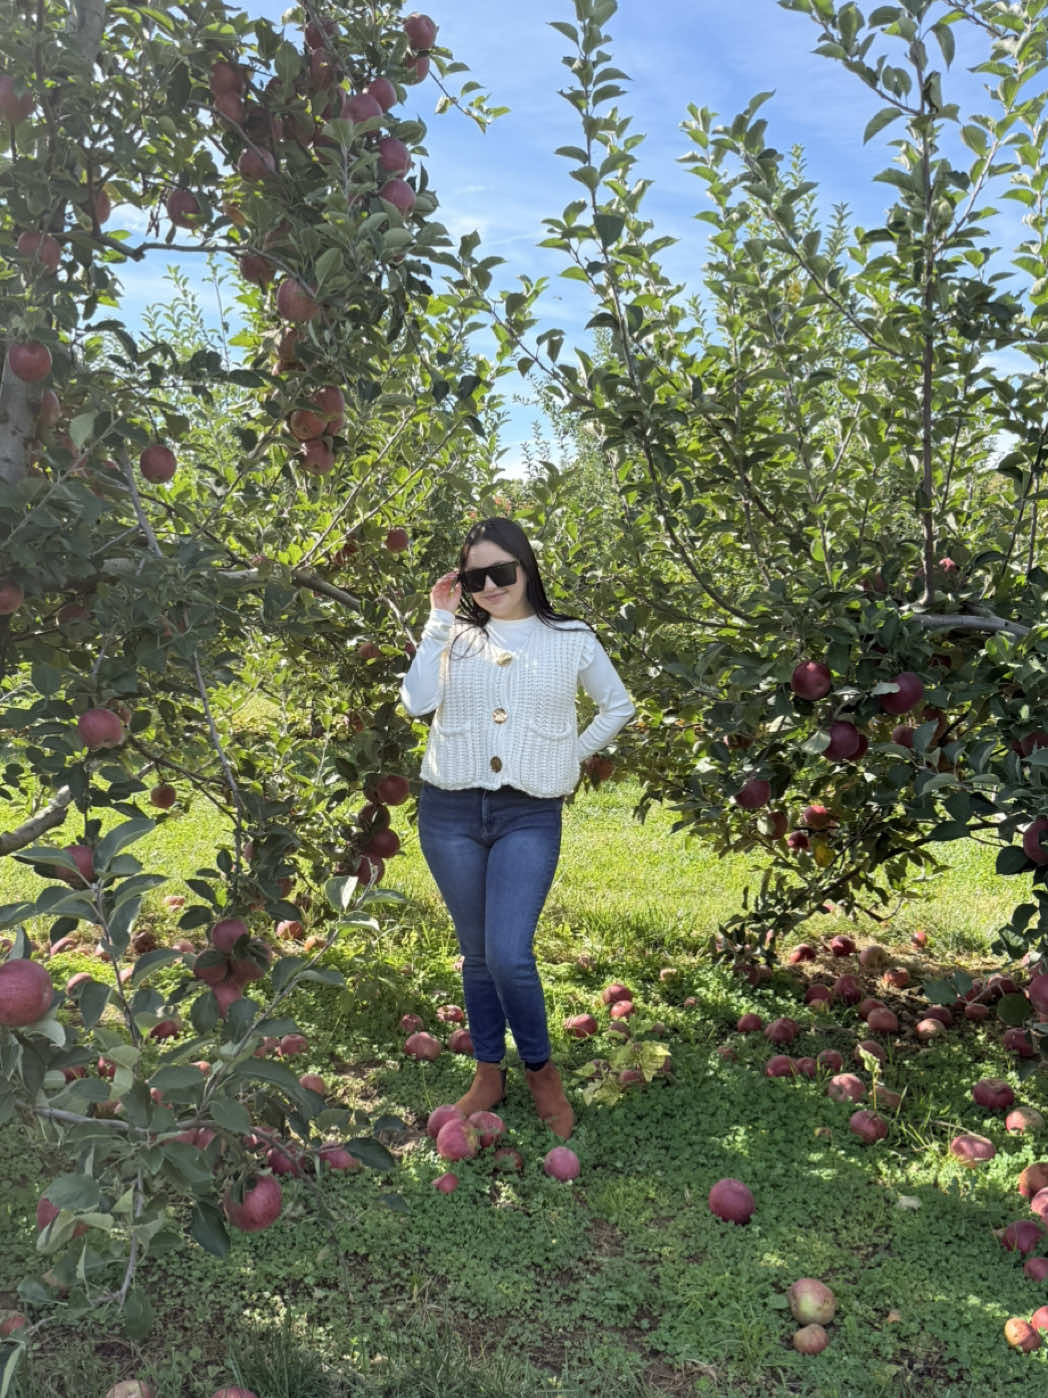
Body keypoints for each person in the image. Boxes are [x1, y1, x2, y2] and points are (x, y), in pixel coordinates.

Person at [399, 517, 635, 1138]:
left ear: (525, 567)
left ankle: (540, 1071)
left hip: (528, 813)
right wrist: (437, 619)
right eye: (475, 577)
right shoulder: (455, 635)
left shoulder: (570, 637)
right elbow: (417, 703)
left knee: (509, 953)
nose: (488, 586)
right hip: (449, 810)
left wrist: (569, 755)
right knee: (476, 956)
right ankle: (487, 1071)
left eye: (500, 572)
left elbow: (619, 705)